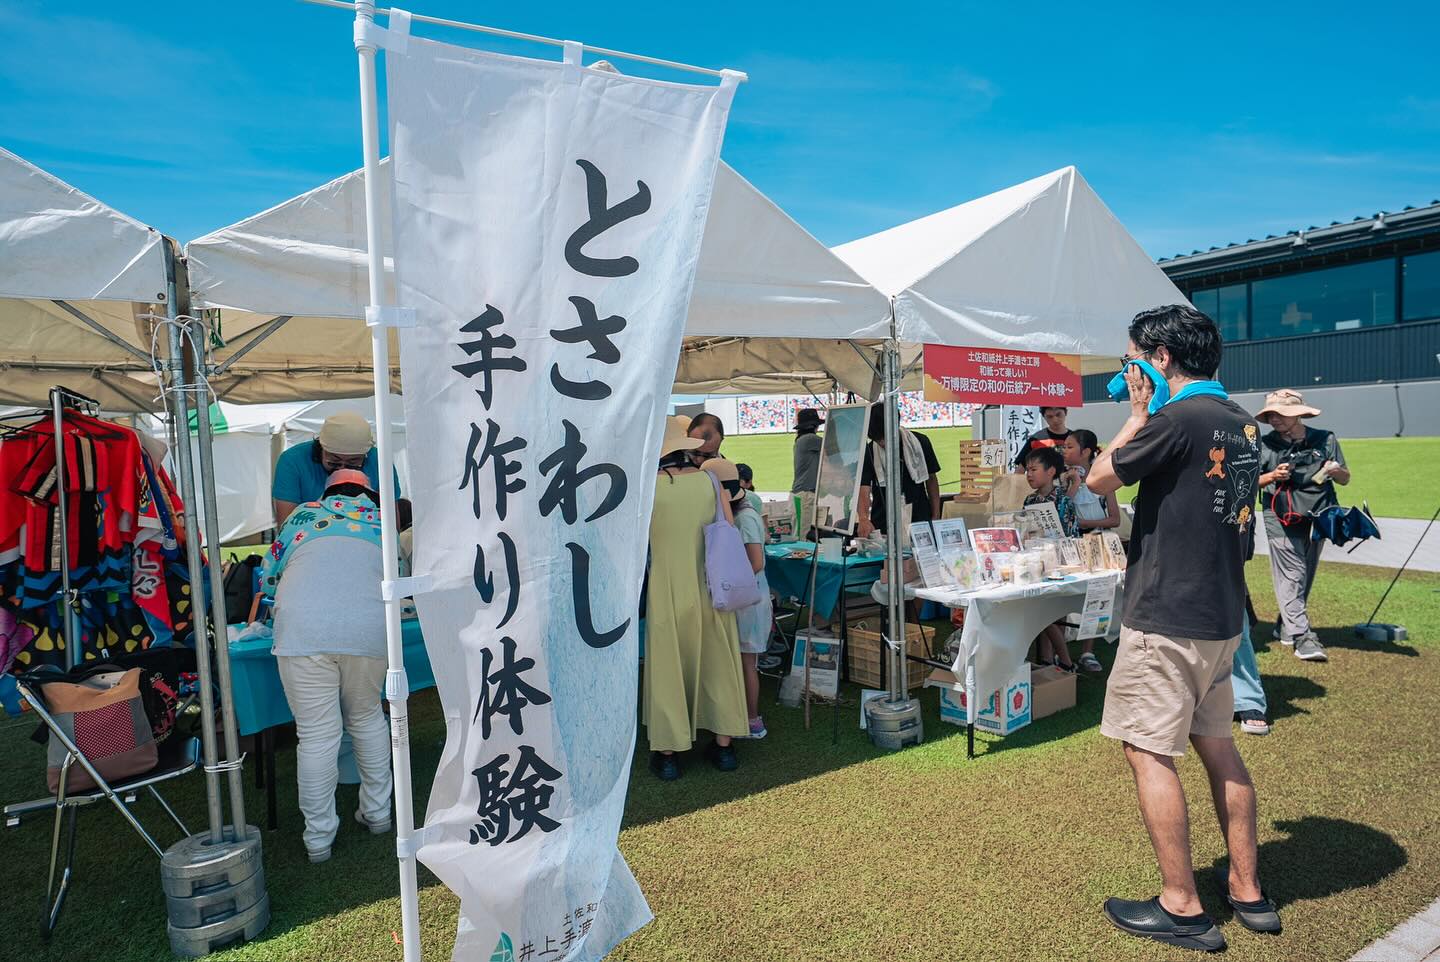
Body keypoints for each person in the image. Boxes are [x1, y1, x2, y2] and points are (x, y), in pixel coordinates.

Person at [1086, 305, 1278, 951]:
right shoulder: (1242, 421)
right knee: (1218, 744)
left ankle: (1182, 904)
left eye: (1134, 357)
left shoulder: (1174, 418)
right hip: (1223, 615)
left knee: (1147, 749)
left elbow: (1097, 477)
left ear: (1160, 358)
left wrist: (1137, 413)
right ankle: (1247, 891)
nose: (1131, 369)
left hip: (1169, 615)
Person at [261, 469, 394, 863]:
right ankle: (379, 814)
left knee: (317, 736)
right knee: (368, 718)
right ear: (368, 494)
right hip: (368, 631)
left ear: (329, 492)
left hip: (302, 631)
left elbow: (270, 575)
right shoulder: (383, 522)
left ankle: (318, 840)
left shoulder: (302, 515)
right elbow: (397, 576)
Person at [644, 416, 749, 779]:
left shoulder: (647, 488)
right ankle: (724, 748)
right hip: (711, 583)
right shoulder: (710, 480)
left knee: (668, 667)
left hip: (667, 584)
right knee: (718, 661)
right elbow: (729, 528)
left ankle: (669, 754)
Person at [1255, 389, 1350, 663]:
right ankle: (1302, 637)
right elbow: (1248, 482)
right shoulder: (1265, 444)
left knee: (1305, 572)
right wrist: (1273, 475)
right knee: (1292, 574)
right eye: (1270, 414)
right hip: (1280, 517)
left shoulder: (1325, 439)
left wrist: (1335, 471)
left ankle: (1286, 625)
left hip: (1318, 515)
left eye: (1279, 414)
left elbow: (1345, 478)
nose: (1273, 419)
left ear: (1298, 414)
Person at [705, 459, 772, 739]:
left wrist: (725, 574)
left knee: (747, 663)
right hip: (747, 598)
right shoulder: (745, 513)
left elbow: (755, 561)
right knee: (744, 661)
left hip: (748, 601)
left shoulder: (744, 518)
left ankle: (752, 719)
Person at [272, 411, 401, 527]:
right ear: (321, 448)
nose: (342, 469)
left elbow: (392, 523)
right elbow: (286, 526)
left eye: (353, 462)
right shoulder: (292, 461)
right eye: (334, 462)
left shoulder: (380, 463)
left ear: (366, 455)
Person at [1022, 447, 1081, 672]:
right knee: (1046, 614)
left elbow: (1072, 535)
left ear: (1051, 472)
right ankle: (1048, 661)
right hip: (1038, 563)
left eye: (1034, 469)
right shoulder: (1030, 499)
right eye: (1027, 469)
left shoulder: (1064, 501)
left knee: (1048, 615)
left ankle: (1065, 662)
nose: (1029, 474)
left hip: (1061, 565)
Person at [856, 405, 941, 536]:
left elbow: (931, 480)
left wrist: (936, 514)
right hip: (883, 520)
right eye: (877, 440)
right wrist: (863, 518)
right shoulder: (869, 451)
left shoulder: (920, 443)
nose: (882, 443)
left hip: (919, 517)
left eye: (884, 438)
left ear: (895, 426)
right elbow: (864, 487)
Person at [1062, 429, 1122, 533]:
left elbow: (1115, 520)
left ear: (1085, 452)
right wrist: (1074, 484)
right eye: (1064, 447)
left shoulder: (1103, 480)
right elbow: (1062, 511)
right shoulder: (1062, 479)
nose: (1064, 450)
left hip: (1101, 538)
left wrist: (1085, 523)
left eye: (1069, 447)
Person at [791, 408, 824, 533]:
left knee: (803, 535)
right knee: (803, 536)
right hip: (805, 495)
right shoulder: (810, 439)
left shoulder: (803, 440)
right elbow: (833, 445)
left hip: (804, 494)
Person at [1012, 405, 1070, 471]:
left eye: (1058, 414)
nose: (1055, 420)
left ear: (1066, 412)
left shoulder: (1075, 438)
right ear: (1044, 417)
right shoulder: (1036, 440)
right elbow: (1020, 469)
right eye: (1050, 417)